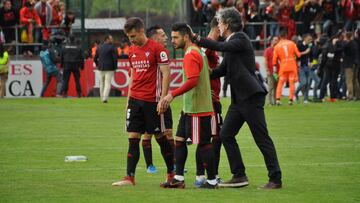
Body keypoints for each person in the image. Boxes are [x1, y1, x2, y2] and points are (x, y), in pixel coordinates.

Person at [192, 7, 282, 189]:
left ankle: (275, 179)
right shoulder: (233, 44)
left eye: (219, 23)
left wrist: (198, 39)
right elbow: (222, 70)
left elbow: (221, 46)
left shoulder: (240, 38)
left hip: (250, 97)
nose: (218, 26)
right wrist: (205, 73)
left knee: (261, 138)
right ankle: (239, 175)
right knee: (225, 134)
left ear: (226, 24)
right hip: (239, 100)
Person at [111, 17, 174, 187]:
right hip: (135, 101)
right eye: (129, 37)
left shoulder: (157, 49)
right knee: (133, 139)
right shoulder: (132, 51)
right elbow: (132, 77)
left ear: (140, 31)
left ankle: (171, 173)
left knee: (161, 138)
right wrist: (128, 100)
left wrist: (163, 98)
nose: (130, 40)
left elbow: (166, 74)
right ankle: (129, 177)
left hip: (152, 102)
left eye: (132, 36)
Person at [158, 23, 218, 189]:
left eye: (176, 37)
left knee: (204, 143)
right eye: (172, 37)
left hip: (198, 107)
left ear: (186, 37)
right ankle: (178, 178)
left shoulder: (191, 54)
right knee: (179, 140)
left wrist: (171, 94)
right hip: (190, 107)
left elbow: (192, 80)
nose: (173, 41)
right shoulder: (197, 51)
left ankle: (212, 181)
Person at [139, 25, 175, 174]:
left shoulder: (163, 52)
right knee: (148, 133)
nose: (166, 37)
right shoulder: (145, 51)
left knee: (168, 132)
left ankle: (173, 165)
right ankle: (150, 166)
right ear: (153, 37)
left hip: (163, 98)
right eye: (162, 35)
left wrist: (164, 98)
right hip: (149, 100)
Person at [193, 18, 223, 187]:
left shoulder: (210, 45)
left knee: (207, 137)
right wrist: (204, 87)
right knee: (214, 138)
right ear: (219, 27)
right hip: (210, 101)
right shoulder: (209, 44)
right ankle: (210, 175)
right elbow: (198, 63)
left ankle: (201, 175)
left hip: (212, 99)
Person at [273, 28, 302, 105]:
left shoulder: (277, 46)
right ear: (286, 35)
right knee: (292, 83)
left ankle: (278, 99)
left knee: (280, 83)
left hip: (283, 66)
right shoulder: (292, 43)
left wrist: (275, 67)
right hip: (292, 66)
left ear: (279, 36)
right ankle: (290, 100)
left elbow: (274, 60)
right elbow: (298, 54)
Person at [94, 35, 118, 103]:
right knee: (107, 83)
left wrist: (98, 65)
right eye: (111, 39)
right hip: (110, 68)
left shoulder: (99, 47)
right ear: (107, 39)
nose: (112, 40)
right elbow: (115, 59)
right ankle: (105, 98)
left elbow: (95, 58)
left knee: (102, 83)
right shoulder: (112, 47)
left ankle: (102, 98)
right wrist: (115, 68)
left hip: (101, 68)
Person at [61, 34, 83, 98]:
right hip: (75, 65)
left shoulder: (64, 47)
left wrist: (62, 65)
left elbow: (62, 57)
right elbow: (81, 57)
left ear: (68, 39)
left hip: (67, 64)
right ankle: (79, 94)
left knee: (66, 80)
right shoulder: (78, 47)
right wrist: (82, 66)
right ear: (74, 39)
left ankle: (64, 94)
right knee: (77, 80)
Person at [295, 33, 313, 104]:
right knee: (303, 82)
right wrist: (305, 53)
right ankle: (296, 93)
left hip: (307, 66)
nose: (310, 41)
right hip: (301, 66)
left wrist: (311, 62)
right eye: (309, 39)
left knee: (308, 83)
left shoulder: (310, 46)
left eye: (311, 39)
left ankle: (305, 99)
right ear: (305, 38)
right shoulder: (299, 45)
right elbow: (296, 54)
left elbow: (311, 55)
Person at [263, 36, 279, 105]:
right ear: (271, 41)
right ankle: (269, 102)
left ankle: (275, 102)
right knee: (270, 87)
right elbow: (265, 61)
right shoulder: (268, 50)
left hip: (278, 72)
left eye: (277, 40)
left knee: (276, 88)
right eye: (275, 40)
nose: (276, 41)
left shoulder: (278, 49)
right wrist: (267, 70)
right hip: (270, 71)